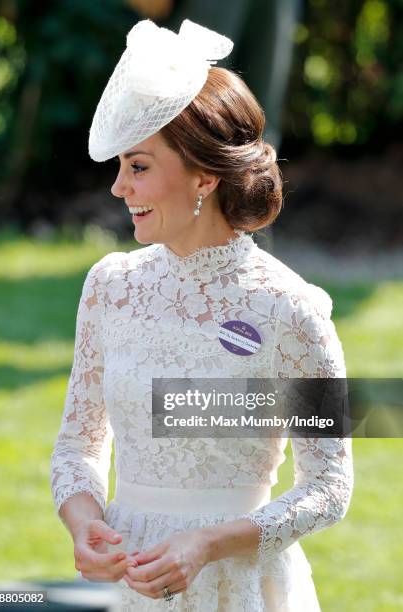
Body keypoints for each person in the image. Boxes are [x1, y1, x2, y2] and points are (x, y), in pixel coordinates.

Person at [50, 19, 353, 611]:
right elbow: (76, 447)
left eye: (137, 167)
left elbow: (329, 486)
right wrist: (83, 521)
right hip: (134, 586)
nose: (117, 188)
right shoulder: (110, 287)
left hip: (242, 587)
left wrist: (209, 544)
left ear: (205, 177)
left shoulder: (292, 309)